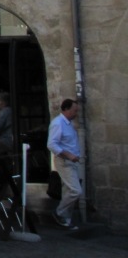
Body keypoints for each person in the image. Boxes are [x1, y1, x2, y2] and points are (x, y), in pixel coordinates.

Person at [46, 98, 82, 229]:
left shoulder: (68, 124)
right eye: (74, 110)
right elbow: (51, 144)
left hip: (71, 161)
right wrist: (68, 155)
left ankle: (65, 220)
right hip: (64, 161)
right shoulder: (58, 123)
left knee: (68, 190)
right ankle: (59, 213)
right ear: (66, 109)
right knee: (75, 190)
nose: (76, 113)